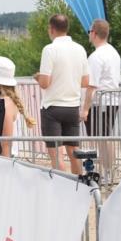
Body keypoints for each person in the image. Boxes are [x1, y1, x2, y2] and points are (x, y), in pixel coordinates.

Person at [35, 14, 90, 174]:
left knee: (57, 156)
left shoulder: (49, 49)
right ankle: (80, 188)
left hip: (52, 107)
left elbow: (45, 83)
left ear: (51, 29)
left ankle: (61, 190)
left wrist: (38, 77)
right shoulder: (80, 49)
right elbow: (85, 81)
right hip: (72, 106)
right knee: (74, 154)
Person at [81, 19, 121, 180]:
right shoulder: (113, 52)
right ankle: (109, 171)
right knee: (104, 138)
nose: (89, 34)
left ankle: (108, 172)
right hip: (111, 100)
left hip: (101, 102)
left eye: (89, 31)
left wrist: (85, 109)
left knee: (103, 139)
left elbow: (92, 85)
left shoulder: (96, 57)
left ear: (94, 33)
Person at [0, 55, 34, 157]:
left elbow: (6, 142)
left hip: (4, 157)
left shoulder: (5, 103)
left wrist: (5, 164)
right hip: (5, 156)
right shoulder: (9, 99)